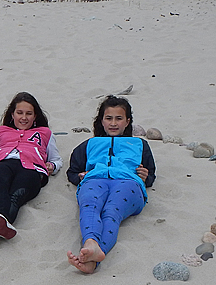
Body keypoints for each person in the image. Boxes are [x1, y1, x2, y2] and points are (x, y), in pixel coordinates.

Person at [66, 95, 156, 273]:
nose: (113, 123)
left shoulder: (139, 144)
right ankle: (91, 248)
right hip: (95, 179)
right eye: (109, 118)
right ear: (102, 121)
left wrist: (146, 177)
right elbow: (72, 172)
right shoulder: (90, 144)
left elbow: (151, 174)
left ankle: (94, 251)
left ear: (127, 121)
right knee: (90, 205)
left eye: (119, 118)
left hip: (128, 182)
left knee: (111, 210)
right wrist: (80, 176)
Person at [0, 92, 62, 248]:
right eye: (19, 113)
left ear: (35, 116)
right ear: (12, 114)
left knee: (16, 194)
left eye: (29, 114)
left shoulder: (45, 133)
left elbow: (56, 159)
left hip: (31, 168)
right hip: (3, 163)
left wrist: (52, 166)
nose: (24, 118)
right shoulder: (1, 131)